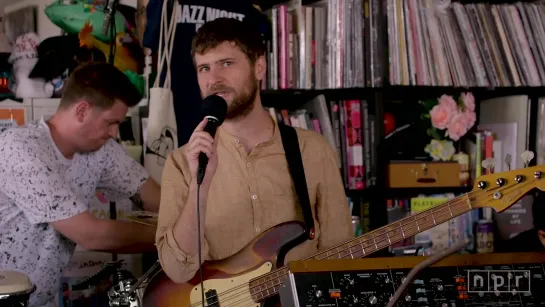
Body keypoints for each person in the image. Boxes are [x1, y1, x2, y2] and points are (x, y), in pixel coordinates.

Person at [155, 17, 354, 289]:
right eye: (204, 68)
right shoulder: (181, 163)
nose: (214, 79)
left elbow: (339, 255)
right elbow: (178, 270)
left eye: (227, 63)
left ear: (259, 67)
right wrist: (200, 186)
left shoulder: (312, 150)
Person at [0, 62, 161, 307]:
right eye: (110, 122)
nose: (115, 133)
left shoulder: (99, 149)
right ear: (82, 111)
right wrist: (179, 238)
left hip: (40, 300)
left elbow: (154, 197)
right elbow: (90, 234)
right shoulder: (20, 149)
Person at [142, 0, 269, 146]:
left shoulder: (244, 7)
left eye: (227, 64)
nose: (215, 77)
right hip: (180, 108)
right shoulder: (167, 3)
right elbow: (150, 41)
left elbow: (148, 42)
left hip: (233, 110)